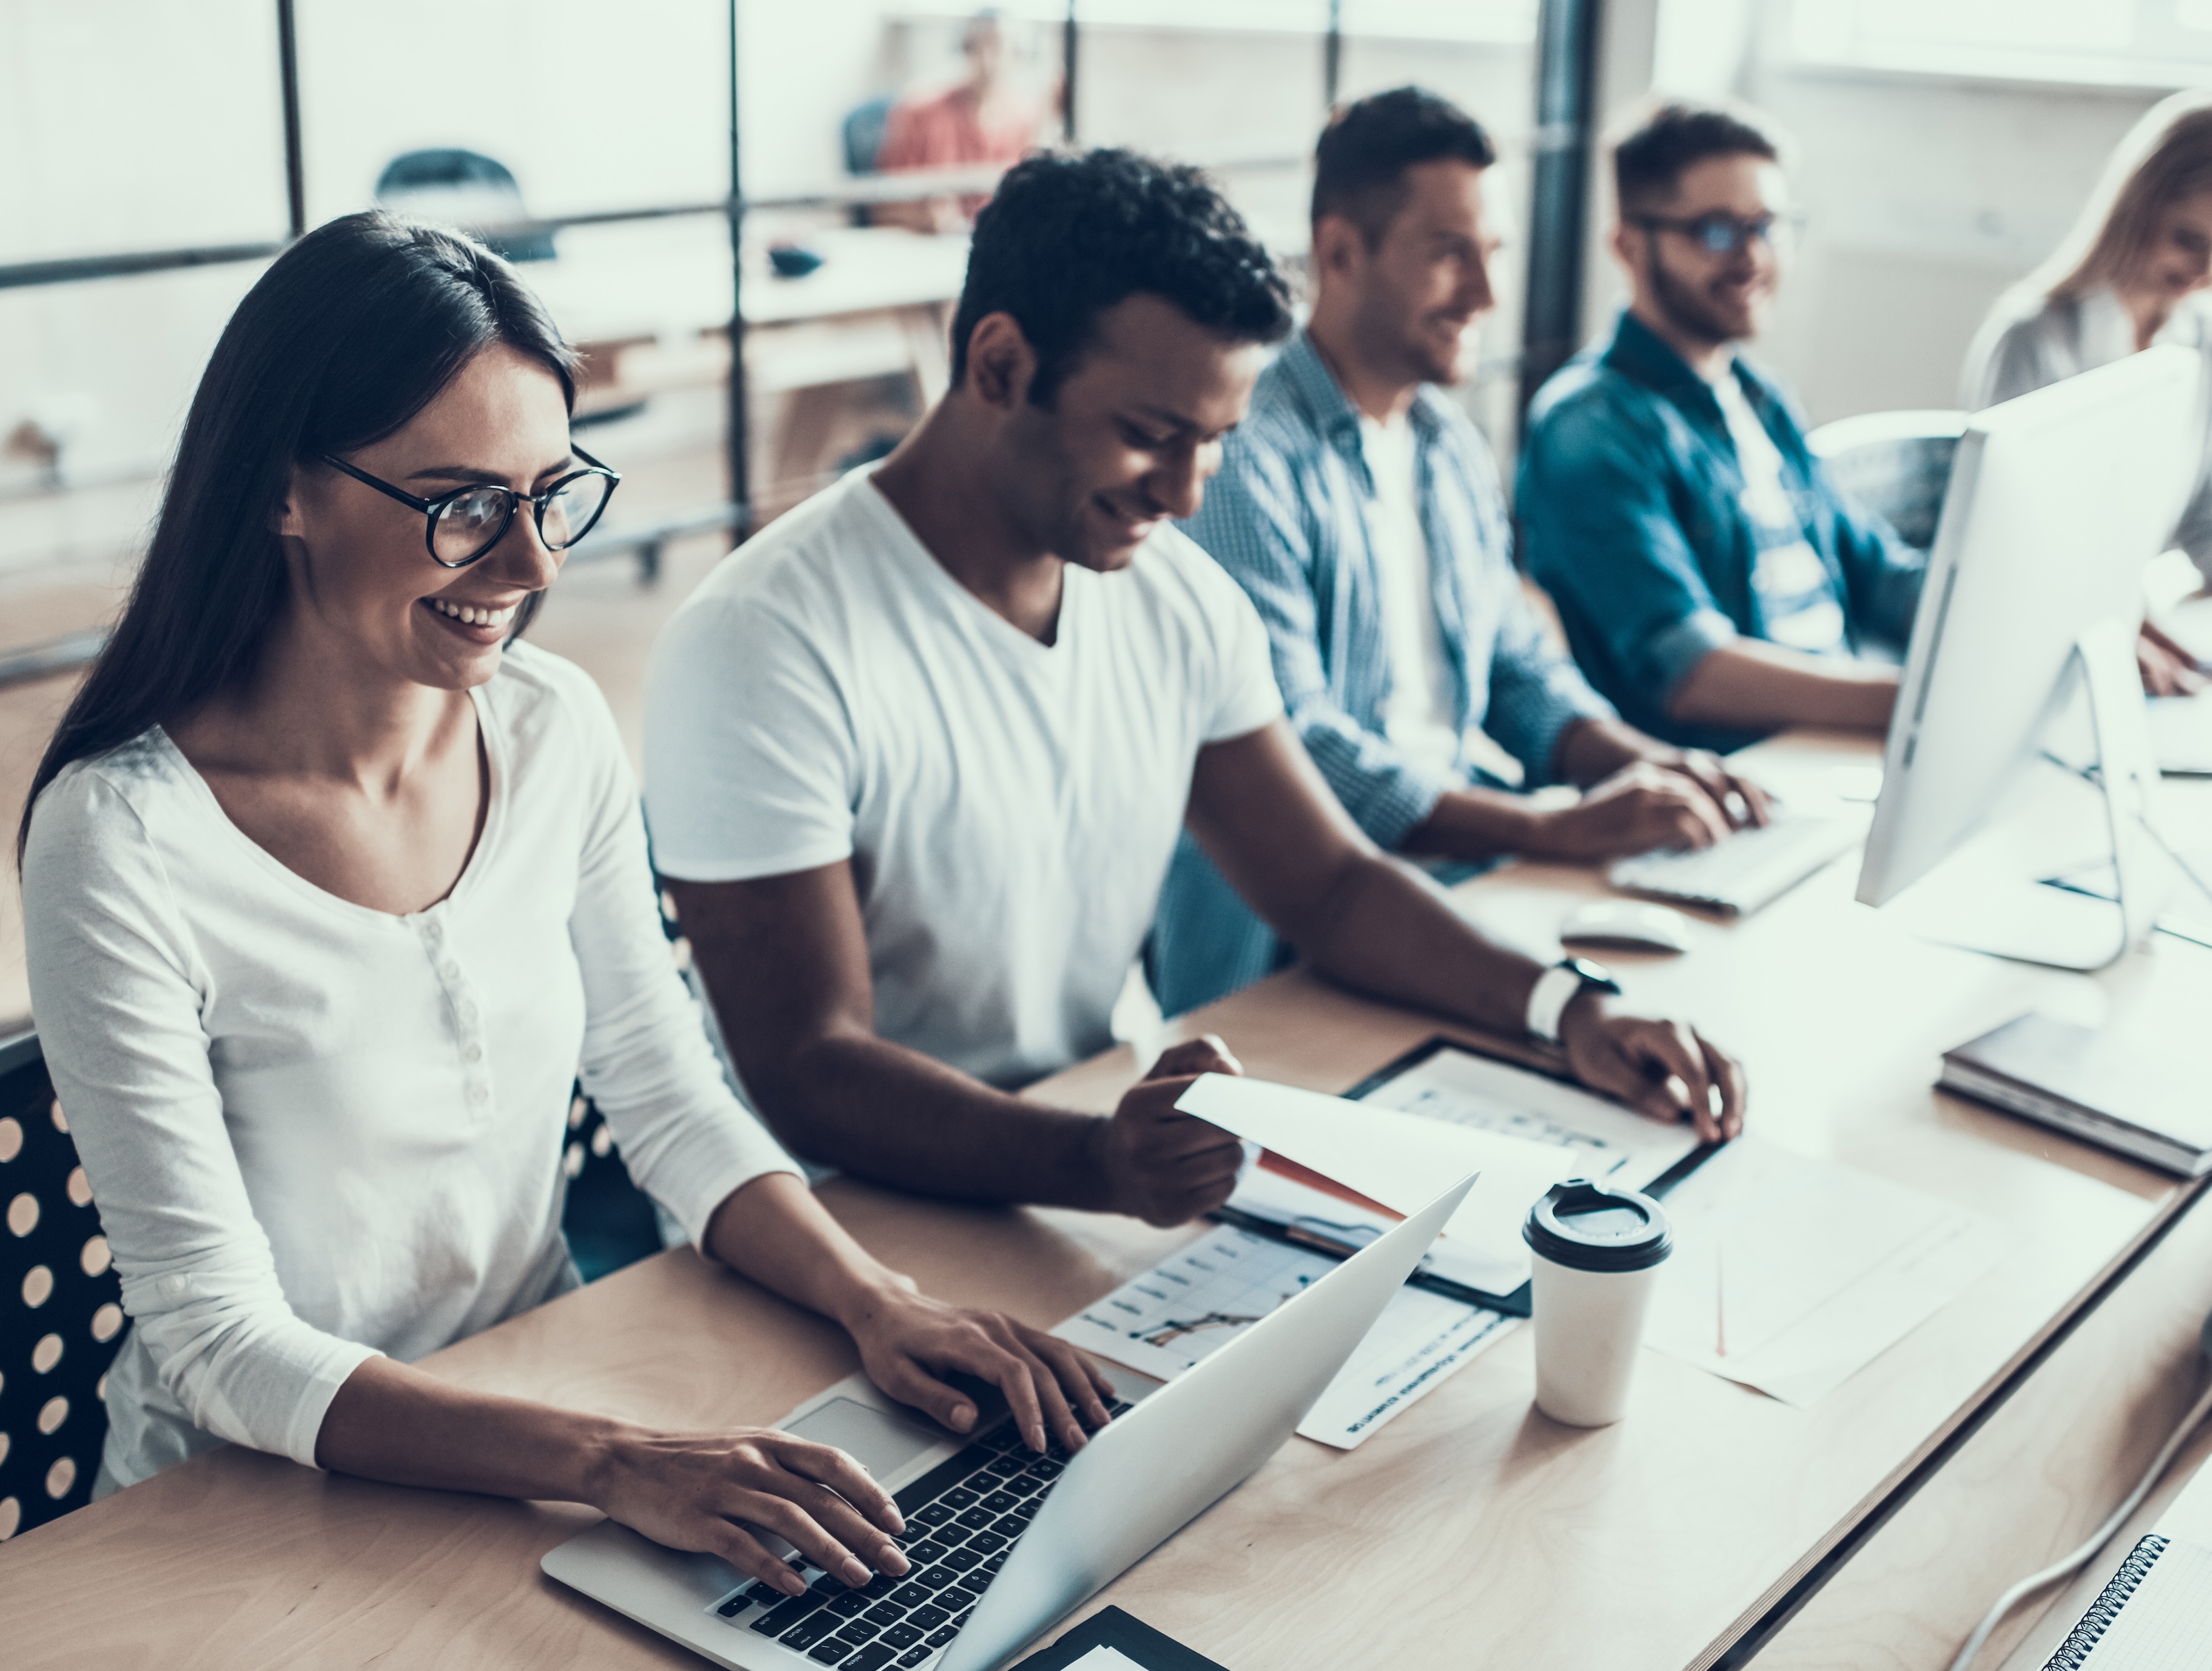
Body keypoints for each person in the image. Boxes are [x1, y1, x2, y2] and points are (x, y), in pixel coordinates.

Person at [20, 213, 1111, 1604]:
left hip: (531, 1411)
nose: (530, 564)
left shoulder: (551, 727)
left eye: (552, 492)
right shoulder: (121, 838)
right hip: (249, 1506)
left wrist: (875, 1299)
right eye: (461, 505)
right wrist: (611, 1459)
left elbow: (663, 1090)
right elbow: (219, 1339)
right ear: (282, 490)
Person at [644, 149, 1745, 1234]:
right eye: (1148, 436)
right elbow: (806, 1069)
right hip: (829, 1224)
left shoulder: (1177, 598)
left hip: (1072, 1163)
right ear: (999, 364)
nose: (1179, 493)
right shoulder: (762, 639)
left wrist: (1570, 1006)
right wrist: (1098, 1161)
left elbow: (1329, 888)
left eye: (1214, 444)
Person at [1147, 88, 1771, 1014]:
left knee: (1708, 996)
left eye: (1492, 253)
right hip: (1296, 939)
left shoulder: (1445, 441)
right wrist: (1549, 825)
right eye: (1449, 254)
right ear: (1338, 254)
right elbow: (1297, 750)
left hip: (1468, 872)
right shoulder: (1244, 454)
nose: (1485, 294)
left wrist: (1640, 768)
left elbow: (1518, 670)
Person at [1515, 100, 1925, 752]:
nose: (1752, 256)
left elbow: (1881, 575)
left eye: (1768, 225)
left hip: (1840, 750)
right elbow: (1690, 673)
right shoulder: (1590, 428)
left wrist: (2040, 624)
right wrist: (1917, 701)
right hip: (1734, 779)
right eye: (1715, 231)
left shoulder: (1762, 396)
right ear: (1627, 246)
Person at [1962, 87, 2212, 697]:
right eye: (2189, 238)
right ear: (2137, 211)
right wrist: (2109, 624)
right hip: (2034, 636)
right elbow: (2000, 543)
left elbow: (2208, 526)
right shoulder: (2033, 339)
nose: (2210, 269)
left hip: (2130, 628)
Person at [875, 9, 1047, 233]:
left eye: (999, 47)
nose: (987, 60)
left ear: (1020, 54)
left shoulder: (1028, 117)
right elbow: (882, 205)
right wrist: (920, 217)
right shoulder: (919, 111)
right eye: (975, 47)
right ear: (963, 49)